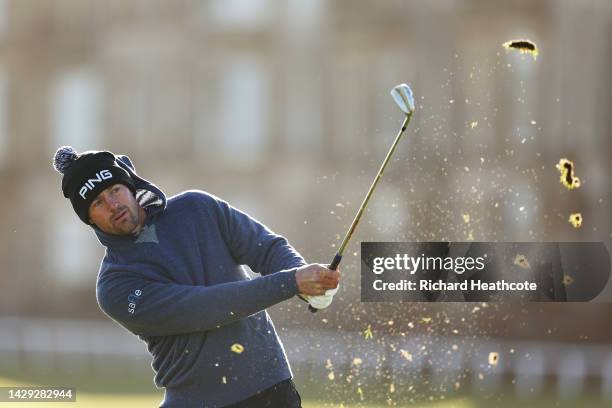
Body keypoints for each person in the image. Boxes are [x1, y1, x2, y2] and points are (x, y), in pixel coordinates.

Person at [52, 146, 340, 408]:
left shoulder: (197, 208)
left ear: (130, 185)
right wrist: (292, 282)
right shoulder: (115, 286)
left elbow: (267, 248)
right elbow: (206, 307)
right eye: (98, 203)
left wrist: (310, 286)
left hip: (273, 391)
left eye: (115, 190)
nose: (113, 205)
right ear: (89, 219)